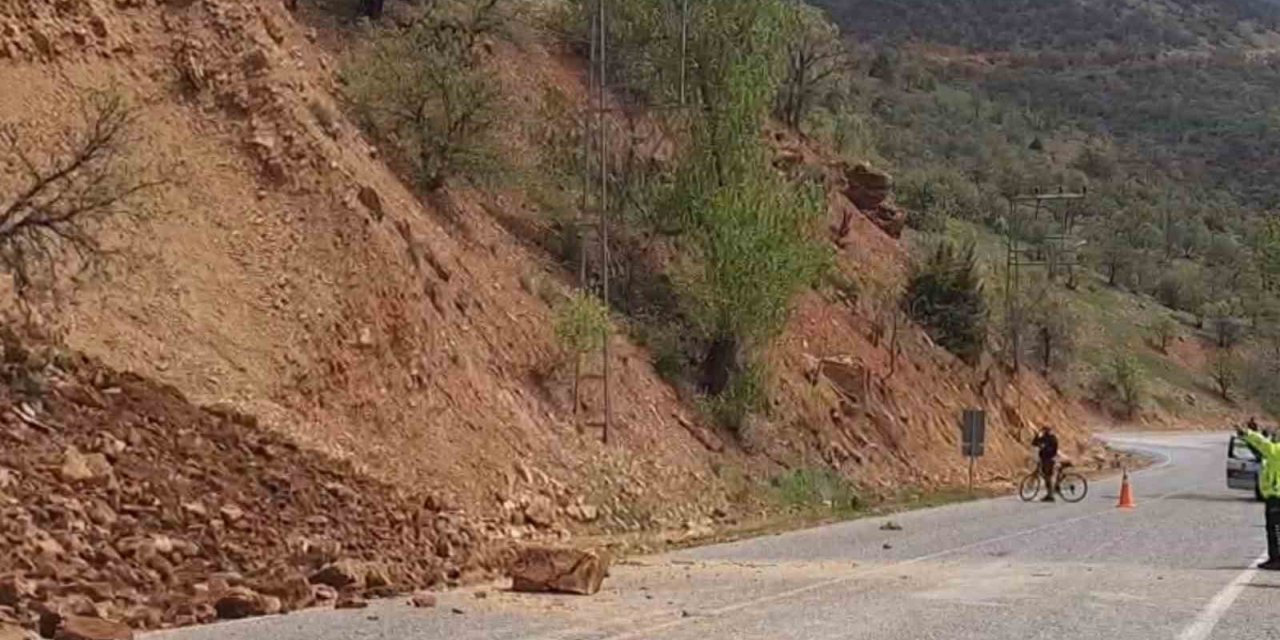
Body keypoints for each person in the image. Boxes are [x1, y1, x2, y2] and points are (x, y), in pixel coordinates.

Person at [1238, 424, 1280, 571]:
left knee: (1274, 529)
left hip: (1276, 496)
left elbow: (1262, 444)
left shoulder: (1276, 451)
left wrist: (1247, 433)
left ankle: (1277, 559)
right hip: (1274, 495)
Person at [1032, 426, 1060, 503]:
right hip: (1044, 459)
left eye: (1044, 431)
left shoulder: (1052, 439)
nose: (1043, 432)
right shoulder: (1044, 438)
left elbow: (1053, 449)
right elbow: (1034, 443)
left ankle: (1050, 495)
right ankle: (1050, 493)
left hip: (1049, 459)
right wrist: (1036, 436)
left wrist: (1044, 448)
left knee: (1048, 477)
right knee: (1046, 476)